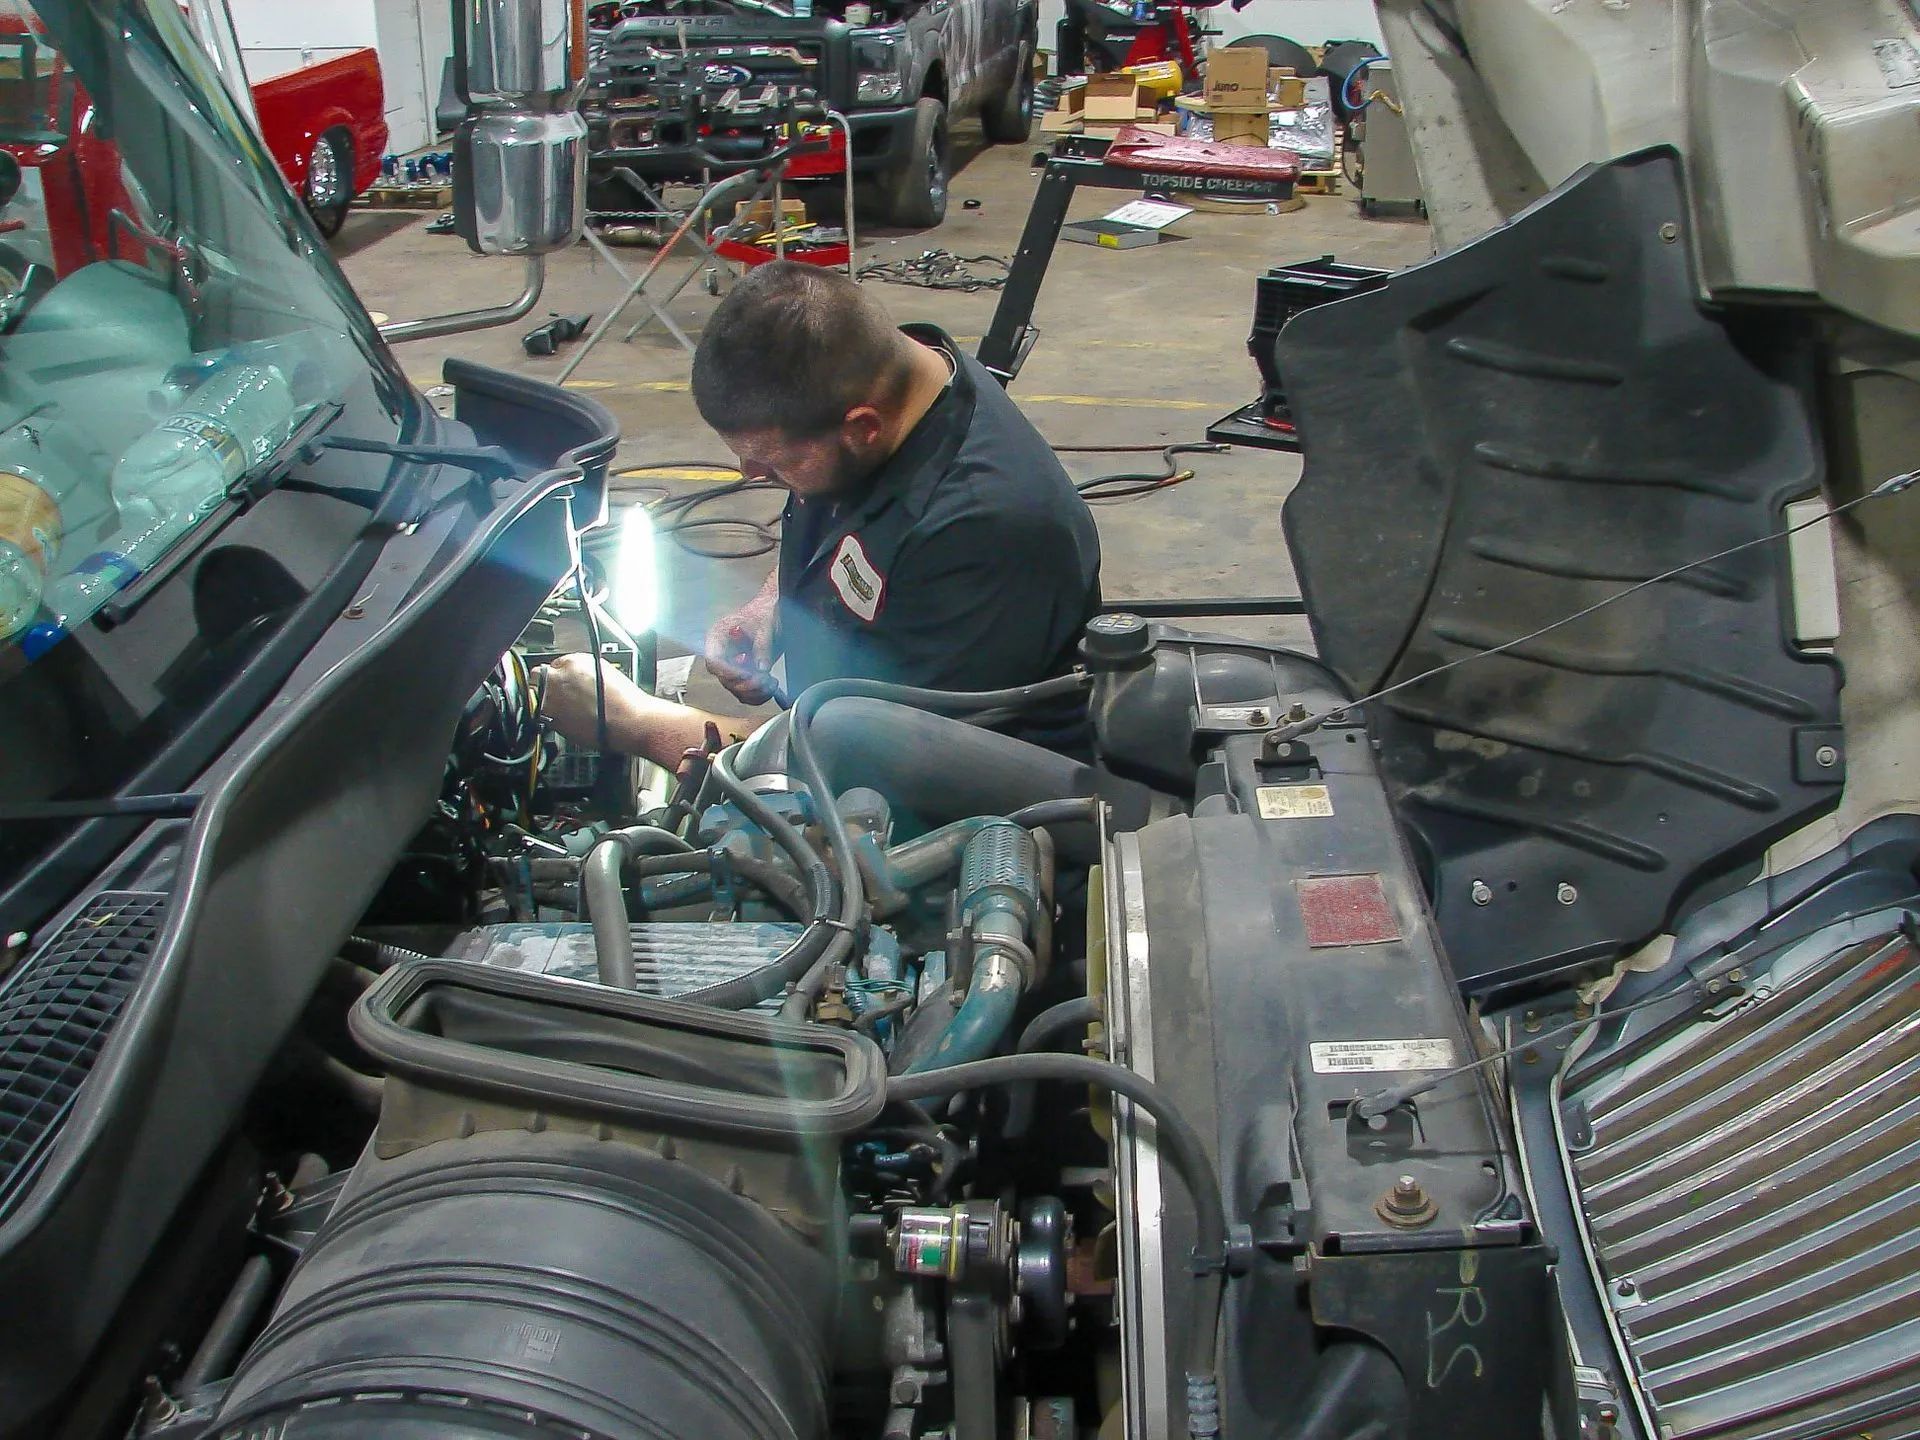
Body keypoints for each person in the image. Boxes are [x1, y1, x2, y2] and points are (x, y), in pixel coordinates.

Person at [538, 261, 1101, 765]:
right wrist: (774, 606)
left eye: (773, 464)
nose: (751, 475)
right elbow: (842, 524)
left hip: (969, 819)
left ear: (863, 426)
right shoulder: (888, 384)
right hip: (849, 718)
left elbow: (890, 776)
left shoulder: (987, 532)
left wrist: (640, 724)